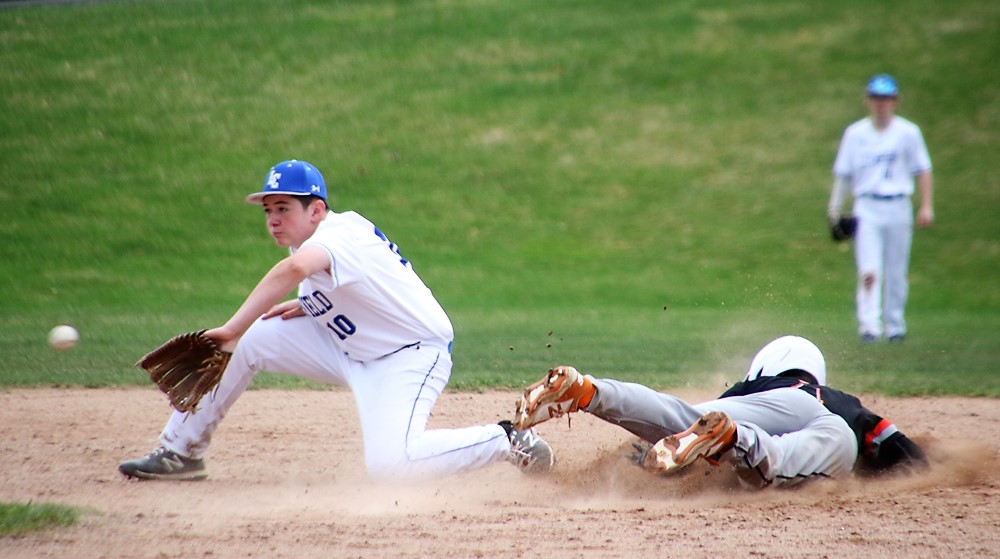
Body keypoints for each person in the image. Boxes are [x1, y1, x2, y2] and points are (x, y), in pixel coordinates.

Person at [119, 159, 554, 481]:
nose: (272, 220)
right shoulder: (314, 242)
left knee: (391, 466)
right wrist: (307, 305)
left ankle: (505, 440)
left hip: (407, 357)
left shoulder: (341, 233)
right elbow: (350, 286)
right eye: (268, 210)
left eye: (283, 208)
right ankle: (180, 452)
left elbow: (295, 272)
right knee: (248, 342)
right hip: (350, 345)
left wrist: (231, 326)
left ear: (317, 209)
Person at [514, 335, 927, 489]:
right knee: (819, 449)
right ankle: (737, 440)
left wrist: (650, 453)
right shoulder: (840, 401)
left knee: (679, 414)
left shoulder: (750, 387)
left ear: (763, 367)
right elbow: (894, 447)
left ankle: (588, 390)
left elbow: (687, 428)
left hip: (741, 409)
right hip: (824, 422)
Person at [828, 74, 935, 343]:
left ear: (895, 101)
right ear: (868, 101)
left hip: (898, 204)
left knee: (897, 269)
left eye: (886, 98)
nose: (881, 103)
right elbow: (844, 174)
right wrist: (835, 209)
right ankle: (869, 325)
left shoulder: (908, 133)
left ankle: (895, 324)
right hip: (867, 206)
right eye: (876, 98)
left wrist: (926, 205)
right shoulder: (855, 134)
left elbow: (923, 169)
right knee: (869, 269)